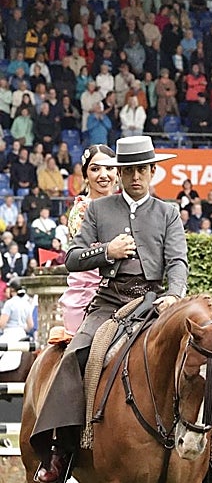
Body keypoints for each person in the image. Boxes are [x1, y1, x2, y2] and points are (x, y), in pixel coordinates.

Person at [30, 136, 188, 483]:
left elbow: (178, 261)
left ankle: (210, 455)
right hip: (110, 301)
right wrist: (107, 251)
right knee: (75, 355)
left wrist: (174, 295)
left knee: (199, 358)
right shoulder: (98, 210)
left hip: (153, 302)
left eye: (141, 170)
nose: (135, 177)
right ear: (121, 173)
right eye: (128, 171)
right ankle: (61, 448)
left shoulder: (168, 212)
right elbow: (73, 258)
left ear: (152, 171)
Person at [57, 144, 118, 338]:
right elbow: (82, 257)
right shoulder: (81, 210)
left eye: (109, 168)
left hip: (122, 289)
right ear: (85, 176)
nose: (103, 175)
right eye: (95, 169)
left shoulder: (125, 208)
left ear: (117, 173)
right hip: (89, 295)